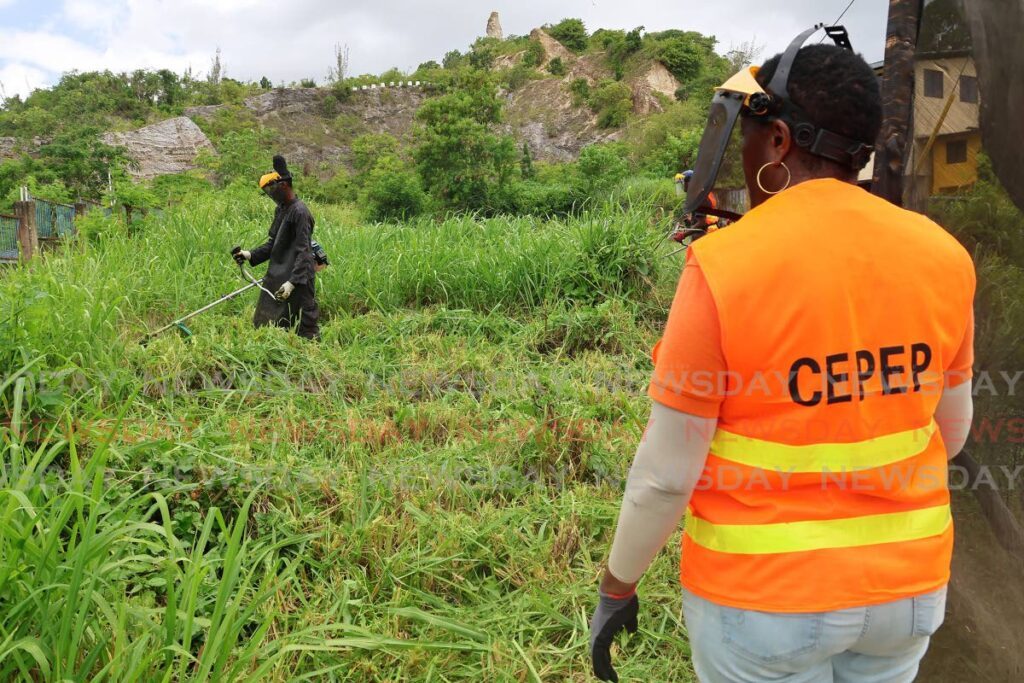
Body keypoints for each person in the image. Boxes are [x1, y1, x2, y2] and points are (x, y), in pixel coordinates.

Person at [589, 35, 975, 683]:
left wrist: (616, 585)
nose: (739, 150)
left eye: (749, 130)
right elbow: (954, 434)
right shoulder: (943, 253)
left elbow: (663, 475)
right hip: (908, 591)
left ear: (778, 142)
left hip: (763, 601)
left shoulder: (721, 267)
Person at [233, 155, 321, 340]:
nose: (270, 193)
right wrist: (249, 255)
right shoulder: (281, 209)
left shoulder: (300, 212)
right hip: (279, 274)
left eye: (271, 188)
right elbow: (274, 243)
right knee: (270, 321)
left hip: (300, 277)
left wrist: (292, 282)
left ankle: (312, 356)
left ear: (284, 185)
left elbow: (304, 251)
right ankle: (274, 348)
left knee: (305, 326)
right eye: (266, 191)